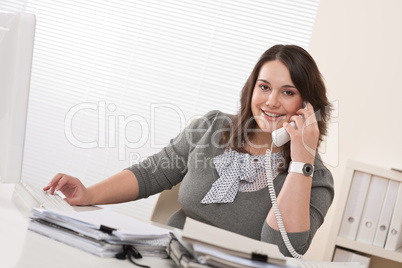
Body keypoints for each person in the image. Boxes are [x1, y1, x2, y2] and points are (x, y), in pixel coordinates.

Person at [44, 44, 334, 257]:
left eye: (287, 92)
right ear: (252, 89)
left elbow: (281, 247)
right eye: (264, 87)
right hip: (168, 257)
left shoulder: (317, 180)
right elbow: (151, 173)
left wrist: (301, 162)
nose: (271, 101)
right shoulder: (212, 126)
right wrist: (89, 195)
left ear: (308, 107)